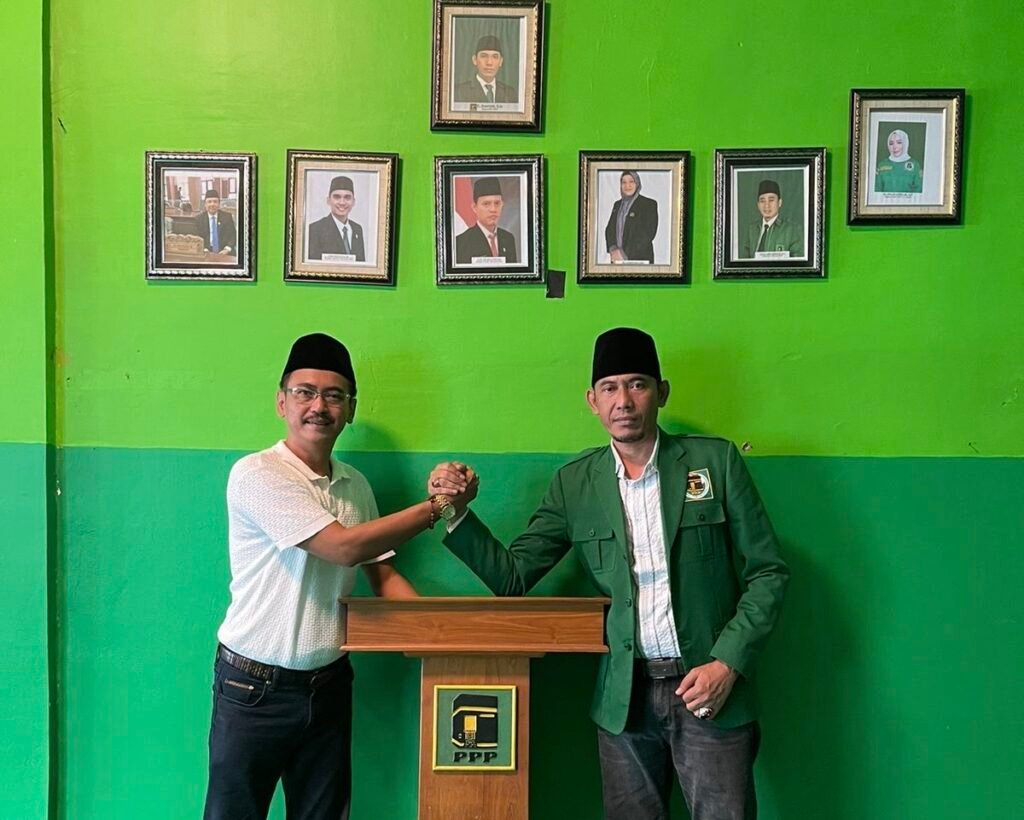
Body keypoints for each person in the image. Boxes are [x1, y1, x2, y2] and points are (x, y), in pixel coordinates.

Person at [429, 327, 788, 820]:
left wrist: (727, 663)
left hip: (708, 689)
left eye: (638, 384)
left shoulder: (715, 461)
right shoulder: (575, 484)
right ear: (592, 401)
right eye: (610, 388)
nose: (624, 400)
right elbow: (512, 576)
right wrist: (456, 512)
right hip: (624, 700)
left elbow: (768, 573)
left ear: (661, 392)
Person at [203, 332, 468, 820]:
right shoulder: (258, 474)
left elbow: (382, 575)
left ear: (350, 409)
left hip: (329, 685)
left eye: (333, 395)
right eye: (304, 392)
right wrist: (437, 507)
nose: (318, 407)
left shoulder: (354, 485)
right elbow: (343, 548)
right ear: (282, 402)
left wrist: (445, 641)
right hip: (252, 688)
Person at [455, 177, 518, 264]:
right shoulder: (461, 242)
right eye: (486, 204)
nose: (493, 209)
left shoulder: (508, 238)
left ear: (502, 205)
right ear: (474, 207)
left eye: (497, 203)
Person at [604, 171, 659, 264]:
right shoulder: (617, 205)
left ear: (637, 183)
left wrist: (624, 253)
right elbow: (610, 229)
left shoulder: (648, 204)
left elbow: (647, 234)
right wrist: (613, 249)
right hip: (617, 260)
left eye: (631, 181)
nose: (627, 186)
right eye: (624, 182)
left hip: (640, 259)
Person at [307, 176, 366, 262]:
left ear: (353, 202)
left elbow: (361, 265)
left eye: (347, 197)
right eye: (337, 197)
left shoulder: (357, 229)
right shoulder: (315, 229)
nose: (342, 202)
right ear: (328, 200)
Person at [740, 179, 803, 259]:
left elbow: (798, 262)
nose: (766, 205)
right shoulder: (752, 230)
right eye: (762, 201)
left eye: (771, 200)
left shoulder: (792, 230)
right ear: (758, 205)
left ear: (779, 202)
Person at [453, 35, 518, 103]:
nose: (489, 62)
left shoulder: (510, 94)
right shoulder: (459, 92)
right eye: (483, 56)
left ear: (501, 61)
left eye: (495, 57)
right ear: (475, 60)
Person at [874, 128, 923, 193]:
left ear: (905, 143)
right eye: (891, 143)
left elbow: (918, 190)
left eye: (899, 142)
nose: (895, 147)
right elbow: (877, 190)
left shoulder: (915, 165)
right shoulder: (882, 165)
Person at [193, 189, 237, 255]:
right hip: (206, 252)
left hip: (225, 251)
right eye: (209, 202)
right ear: (205, 204)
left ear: (219, 204)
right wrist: (204, 249)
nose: (212, 204)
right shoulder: (198, 219)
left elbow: (233, 235)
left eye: (215, 202)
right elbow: (197, 238)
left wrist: (227, 249)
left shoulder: (227, 217)